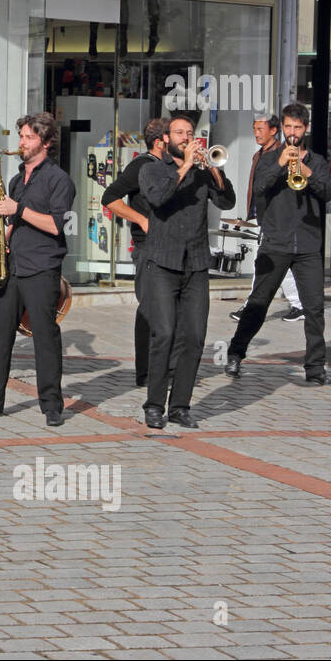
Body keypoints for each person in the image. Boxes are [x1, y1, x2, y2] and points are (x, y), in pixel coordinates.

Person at [0, 113, 75, 427]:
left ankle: (52, 405)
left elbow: (56, 225)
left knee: (45, 337)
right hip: (11, 266)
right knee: (0, 338)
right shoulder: (15, 178)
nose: (21, 143)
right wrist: (7, 232)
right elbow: (16, 220)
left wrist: (19, 210)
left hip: (42, 266)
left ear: (46, 141)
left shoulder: (58, 179)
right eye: (21, 137)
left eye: (28, 137)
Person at [136, 115, 236, 432]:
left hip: (195, 262)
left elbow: (227, 200)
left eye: (190, 133)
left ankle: (180, 406)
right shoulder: (151, 168)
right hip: (162, 262)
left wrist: (213, 169)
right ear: (166, 139)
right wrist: (184, 168)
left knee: (194, 336)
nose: (186, 137)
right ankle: (154, 406)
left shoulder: (202, 172)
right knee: (164, 334)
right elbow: (158, 198)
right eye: (180, 133)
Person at [226, 102, 331, 386]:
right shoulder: (268, 158)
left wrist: (307, 173)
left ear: (306, 129)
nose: (293, 132)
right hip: (275, 243)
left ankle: (314, 368)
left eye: (298, 127)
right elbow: (260, 186)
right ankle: (236, 353)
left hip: (309, 246)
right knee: (259, 303)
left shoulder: (318, 161)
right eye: (288, 127)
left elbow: (328, 192)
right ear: (282, 128)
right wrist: (280, 163)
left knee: (314, 309)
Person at [100, 118, 170, 388]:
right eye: (173, 136)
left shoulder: (171, 167)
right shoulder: (141, 165)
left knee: (167, 309)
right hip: (147, 247)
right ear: (159, 142)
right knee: (150, 308)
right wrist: (141, 220)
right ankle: (145, 372)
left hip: (171, 246)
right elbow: (110, 197)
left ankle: (165, 366)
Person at [230, 113, 303, 323]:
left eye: (260, 129)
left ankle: (252, 306)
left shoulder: (281, 154)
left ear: (273, 130)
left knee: (265, 263)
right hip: (264, 215)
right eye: (254, 129)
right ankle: (299, 304)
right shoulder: (259, 154)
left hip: (276, 218)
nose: (256, 134)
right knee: (275, 263)